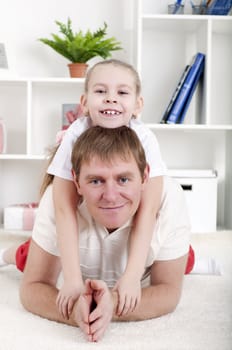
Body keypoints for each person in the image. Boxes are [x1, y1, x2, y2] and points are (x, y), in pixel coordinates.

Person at [18, 125, 192, 342]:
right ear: (76, 181)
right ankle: (11, 252)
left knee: (187, 260)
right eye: (96, 181)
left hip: (148, 260)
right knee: (23, 256)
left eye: (124, 179)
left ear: (145, 176)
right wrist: (75, 312)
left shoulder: (169, 197)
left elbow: (169, 292)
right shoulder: (58, 199)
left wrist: (113, 303)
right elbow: (31, 288)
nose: (110, 196)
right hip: (63, 249)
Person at [46, 59, 167, 318]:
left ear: (138, 105)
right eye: (101, 91)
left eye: (122, 92)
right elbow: (64, 209)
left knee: (173, 255)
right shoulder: (76, 134)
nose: (111, 99)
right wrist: (72, 279)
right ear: (84, 102)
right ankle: (12, 253)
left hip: (130, 222)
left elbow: (149, 211)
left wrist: (132, 276)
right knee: (31, 254)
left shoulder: (145, 138)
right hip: (87, 217)